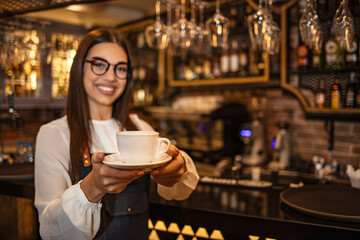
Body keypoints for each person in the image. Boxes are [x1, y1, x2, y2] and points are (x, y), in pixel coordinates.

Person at [34, 28, 199, 239]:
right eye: (99, 65)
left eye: (120, 68)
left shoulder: (139, 127)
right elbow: (51, 231)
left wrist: (178, 169)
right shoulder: (54, 134)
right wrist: (91, 188)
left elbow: (178, 190)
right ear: (79, 68)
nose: (111, 77)